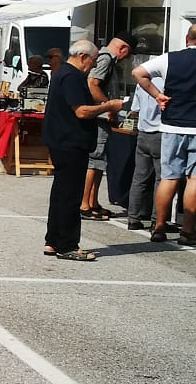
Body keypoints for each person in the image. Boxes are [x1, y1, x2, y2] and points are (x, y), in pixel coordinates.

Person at [42, 38, 122, 261]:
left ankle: (53, 240)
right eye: (93, 60)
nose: (93, 65)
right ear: (82, 56)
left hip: (62, 140)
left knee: (61, 193)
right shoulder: (72, 76)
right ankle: (67, 244)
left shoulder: (62, 73)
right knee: (70, 195)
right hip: (70, 142)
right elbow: (81, 111)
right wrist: (108, 105)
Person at [131, 22, 196, 247]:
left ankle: (158, 226)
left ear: (187, 39)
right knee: (193, 180)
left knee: (168, 178)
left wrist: (157, 95)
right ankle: (187, 231)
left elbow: (138, 73)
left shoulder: (170, 58)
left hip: (171, 125)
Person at [81, 35, 129, 220]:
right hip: (100, 118)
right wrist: (108, 105)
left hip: (101, 117)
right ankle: (84, 204)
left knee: (100, 161)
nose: (127, 58)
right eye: (128, 53)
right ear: (123, 48)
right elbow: (92, 83)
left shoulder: (105, 57)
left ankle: (93, 202)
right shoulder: (106, 59)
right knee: (95, 160)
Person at [124, 44, 167, 232]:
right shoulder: (166, 83)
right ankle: (157, 220)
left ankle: (133, 218)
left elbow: (135, 109)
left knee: (139, 178)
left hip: (143, 133)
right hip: (160, 132)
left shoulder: (142, 83)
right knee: (161, 179)